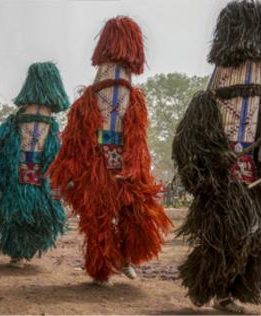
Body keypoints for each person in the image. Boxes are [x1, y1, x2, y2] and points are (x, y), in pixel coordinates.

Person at [172, 0, 261, 313]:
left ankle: (228, 295)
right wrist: (215, 164)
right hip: (222, 188)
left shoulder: (259, 110)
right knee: (222, 239)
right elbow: (187, 149)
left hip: (253, 188)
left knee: (258, 241)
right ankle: (204, 285)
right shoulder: (204, 106)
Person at [48, 16, 171, 285]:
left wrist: (137, 167)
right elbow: (75, 138)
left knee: (134, 213)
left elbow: (138, 138)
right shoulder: (87, 103)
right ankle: (101, 267)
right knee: (98, 219)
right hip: (97, 167)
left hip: (127, 166)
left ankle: (125, 258)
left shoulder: (134, 99)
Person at [0, 62, 69, 268]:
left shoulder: (19, 119)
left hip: (20, 175)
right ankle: (20, 252)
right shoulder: (48, 122)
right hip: (36, 176)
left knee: (17, 216)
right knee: (33, 217)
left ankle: (18, 254)